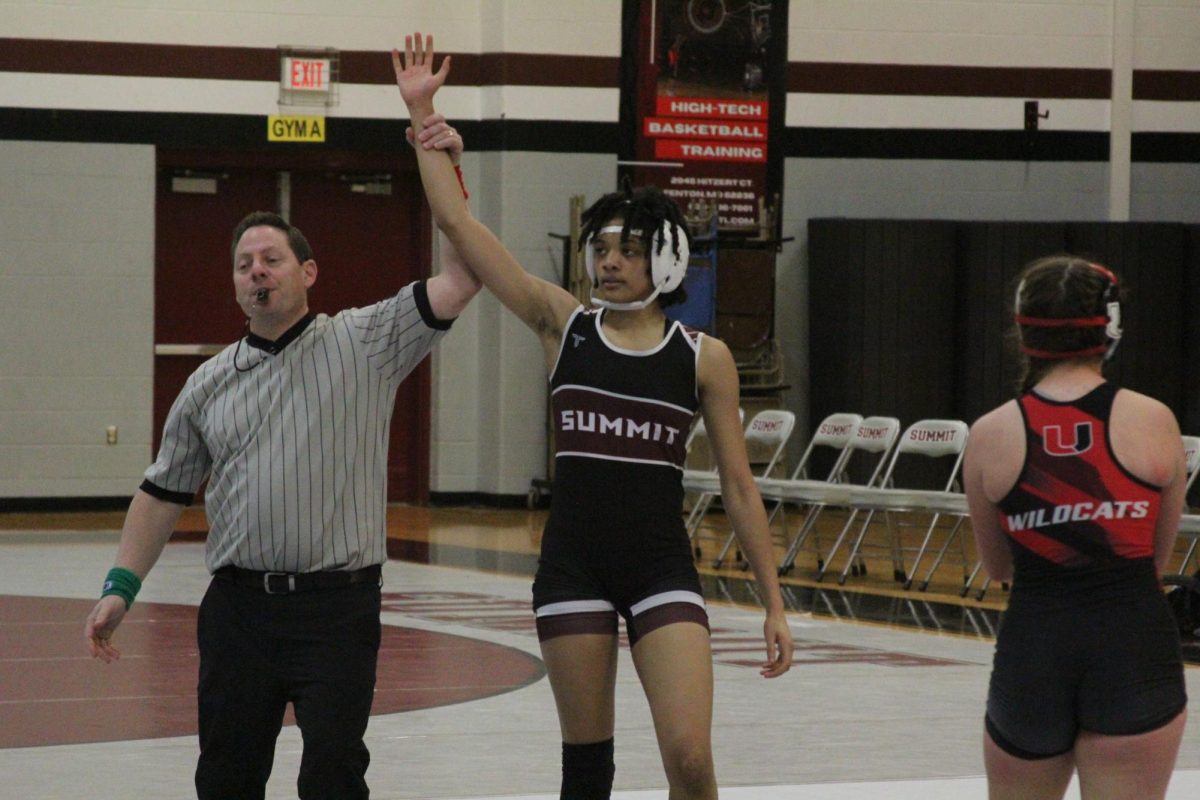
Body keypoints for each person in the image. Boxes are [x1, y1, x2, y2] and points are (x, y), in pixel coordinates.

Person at [393, 33, 793, 800]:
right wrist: (423, 118)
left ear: (667, 262)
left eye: (628, 250)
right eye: (601, 248)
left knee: (690, 757)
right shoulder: (563, 325)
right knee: (587, 769)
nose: (608, 262)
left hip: (660, 568)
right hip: (572, 565)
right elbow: (461, 230)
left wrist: (775, 604)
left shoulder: (703, 357)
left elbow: (740, 488)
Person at [82, 128, 481, 798]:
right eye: (244, 264)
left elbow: (465, 276)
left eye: (271, 258)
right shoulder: (207, 384)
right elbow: (161, 494)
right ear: (235, 284)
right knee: (227, 777)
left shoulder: (365, 341)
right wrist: (120, 587)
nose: (257, 271)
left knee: (332, 772)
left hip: (337, 609)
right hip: (240, 613)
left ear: (308, 272)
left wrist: (445, 165)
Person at [963, 255, 1188, 800]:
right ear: (1109, 328)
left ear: (1023, 331)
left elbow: (998, 568)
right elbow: (1155, 559)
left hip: (1035, 651)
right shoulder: (1153, 420)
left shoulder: (991, 433)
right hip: (1132, 649)